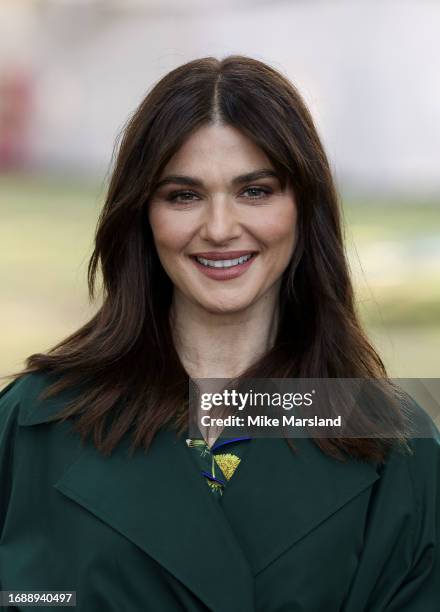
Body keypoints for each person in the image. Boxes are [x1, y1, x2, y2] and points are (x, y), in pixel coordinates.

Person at [0, 55, 439, 612]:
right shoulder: (35, 422)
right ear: (142, 215)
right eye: (183, 195)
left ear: (304, 209)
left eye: (255, 191)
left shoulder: (392, 444)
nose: (220, 228)